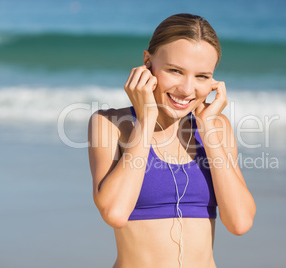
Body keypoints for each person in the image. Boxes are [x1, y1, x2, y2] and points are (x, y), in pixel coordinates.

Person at [88, 13, 256, 268]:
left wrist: (208, 129)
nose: (187, 90)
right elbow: (115, 212)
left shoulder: (217, 127)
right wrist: (145, 121)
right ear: (147, 62)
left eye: (202, 76)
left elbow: (240, 222)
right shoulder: (110, 124)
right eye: (175, 71)